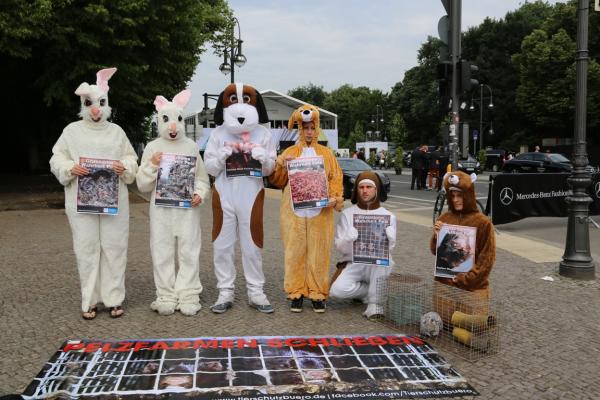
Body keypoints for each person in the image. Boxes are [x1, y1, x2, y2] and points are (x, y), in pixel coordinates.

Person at [49, 67, 138, 320]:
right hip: (81, 200)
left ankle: (113, 298)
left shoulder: (117, 132)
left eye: (100, 103)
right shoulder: (71, 131)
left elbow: (131, 157)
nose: (95, 109)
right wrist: (68, 167)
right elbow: (57, 157)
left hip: (114, 201)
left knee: (114, 246)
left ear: (106, 103)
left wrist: (126, 167)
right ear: (83, 104)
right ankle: (89, 299)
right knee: (86, 247)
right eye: (89, 103)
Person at [136, 90, 211, 316]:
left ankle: (188, 293)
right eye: (166, 120)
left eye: (177, 119)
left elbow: (201, 177)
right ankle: (166, 294)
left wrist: (200, 193)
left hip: (187, 210)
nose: (172, 127)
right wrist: (151, 164)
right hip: (161, 211)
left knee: (189, 250)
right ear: (159, 120)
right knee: (162, 251)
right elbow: (142, 184)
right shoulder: (152, 147)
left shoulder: (190, 146)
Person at [204, 83, 277, 314]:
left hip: (251, 194)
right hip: (224, 193)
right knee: (222, 245)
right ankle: (225, 290)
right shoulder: (217, 133)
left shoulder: (264, 134)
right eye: (234, 99)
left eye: (245, 98)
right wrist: (220, 159)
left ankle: (256, 291)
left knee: (252, 244)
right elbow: (209, 168)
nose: (240, 103)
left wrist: (264, 158)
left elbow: (270, 170)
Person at [269, 104, 344, 313]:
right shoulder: (290, 152)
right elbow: (277, 180)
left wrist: (334, 198)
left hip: (320, 212)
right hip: (294, 212)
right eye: (305, 128)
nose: (309, 132)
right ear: (300, 129)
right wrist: (282, 163)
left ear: (317, 128)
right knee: (294, 252)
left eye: (312, 128)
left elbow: (335, 179)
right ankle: (296, 292)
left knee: (319, 252)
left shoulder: (327, 154)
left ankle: (318, 293)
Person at [330, 171, 397, 320]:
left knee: (384, 263)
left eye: (369, 187)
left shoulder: (389, 216)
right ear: (356, 190)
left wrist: (391, 240)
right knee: (336, 290)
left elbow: (389, 250)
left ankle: (375, 304)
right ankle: (368, 291)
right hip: (354, 262)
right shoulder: (348, 214)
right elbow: (339, 247)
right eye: (361, 187)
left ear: (376, 190)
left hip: (376, 264)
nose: (365, 191)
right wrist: (348, 239)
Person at [430, 171, 496, 312]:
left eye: (460, 195)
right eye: (452, 196)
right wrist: (437, 237)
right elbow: (434, 251)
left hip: (472, 285)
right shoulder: (445, 218)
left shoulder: (483, 222)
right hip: (446, 283)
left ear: (468, 195)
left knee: (471, 322)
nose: (455, 200)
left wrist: (466, 279)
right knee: (445, 319)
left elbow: (486, 260)